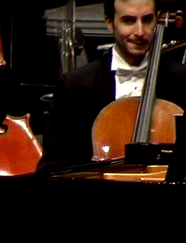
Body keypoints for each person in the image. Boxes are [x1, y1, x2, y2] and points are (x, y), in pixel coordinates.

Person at [38, 0, 186, 174]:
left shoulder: (182, 81)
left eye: (147, 20)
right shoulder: (74, 86)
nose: (140, 32)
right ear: (110, 23)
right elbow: (52, 168)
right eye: (129, 21)